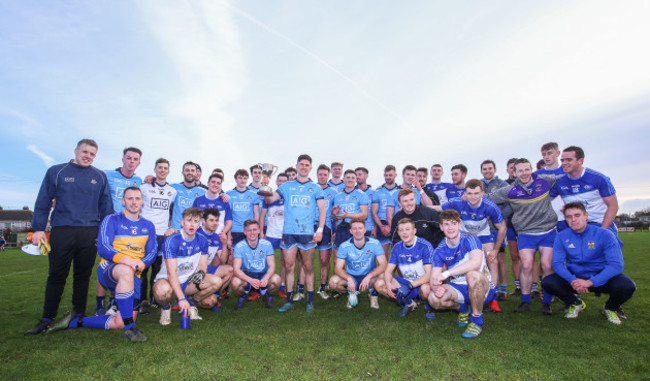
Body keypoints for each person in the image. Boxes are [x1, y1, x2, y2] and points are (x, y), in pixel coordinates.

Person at [44, 186, 157, 342]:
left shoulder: (148, 225)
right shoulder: (111, 220)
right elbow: (104, 247)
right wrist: (126, 260)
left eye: (137, 198)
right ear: (123, 201)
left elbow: (152, 252)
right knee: (125, 271)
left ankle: (75, 322)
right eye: (129, 198)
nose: (133, 202)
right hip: (109, 269)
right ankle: (130, 329)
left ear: (142, 201)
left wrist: (142, 263)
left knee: (119, 321)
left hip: (134, 274)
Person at [26, 139, 113, 335]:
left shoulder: (99, 176)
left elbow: (106, 208)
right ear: (76, 151)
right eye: (84, 152)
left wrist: (106, 233)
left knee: (82, 276)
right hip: (62, 230)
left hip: (89, 232)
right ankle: (47, 318)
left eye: (92, 154)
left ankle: (78, 315)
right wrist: (39, 228)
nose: (87, 156)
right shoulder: (56, 171)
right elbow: (43, 201)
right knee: (57, 275)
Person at [486, 158, 561, 314]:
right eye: (520, 170)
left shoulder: (545, 181)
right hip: (526, 233)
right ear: (514, 173)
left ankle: (546, 302)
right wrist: (468, 197)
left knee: (547, 265)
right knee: (526, 265)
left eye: (527, 169)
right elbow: (488, 198)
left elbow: (566, 179)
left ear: (531, 169)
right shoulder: (510, 190)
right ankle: (525, 301)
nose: (524, 173)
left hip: (547, 230)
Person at [542, 202, 635, 324]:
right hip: (576, 278)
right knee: (548, 282)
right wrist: (573, 280)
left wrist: (590, 282)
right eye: (569, 217)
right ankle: (575, 303)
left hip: (600, 277)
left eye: (577, 215)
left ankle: (611, 308)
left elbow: (617, 265)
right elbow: (557, 264)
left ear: (586, 216)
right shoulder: (561, 236)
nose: (573, 220)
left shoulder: (605, 234)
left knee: (627, 285)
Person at [263, 154, 326, 313]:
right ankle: (289, 301)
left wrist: (320, 230)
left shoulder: (315, 188)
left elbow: (322, 210)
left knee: (308, 267)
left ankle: (310, 301)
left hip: (307, 233)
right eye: (301, 164)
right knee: (289, 266)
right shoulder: (287, 186)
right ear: (297, 166)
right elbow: (270, 201)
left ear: (310, 168)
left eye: (307, 165)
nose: (304, 167)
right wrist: (265, 186)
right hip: (289, 233)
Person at [424, 209, 496, 339]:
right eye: (446, 224)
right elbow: (434, 278)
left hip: (482, 286)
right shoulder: (439, 250)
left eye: (453, 223)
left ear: (459, 225)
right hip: (459, 287)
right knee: (433, 298)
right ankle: (463, 309)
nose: (450, 228)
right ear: (441, 227)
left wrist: (446, 273)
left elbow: (475, 263)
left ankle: (476, 322)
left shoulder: (470, 239)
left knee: (472, 275)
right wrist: (436, 288)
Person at [434, 179, 505, 306]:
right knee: (454, 259)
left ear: (482, 193)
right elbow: (439, 208)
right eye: (470, 193)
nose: (473, 197)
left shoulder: (490, 206)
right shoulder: (458, 202)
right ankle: (456, 289)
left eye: (476, 193)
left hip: (483, 235)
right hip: (464, 235)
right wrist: (417, 207)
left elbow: (502, 228)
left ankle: (492, 294)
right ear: (465, 194)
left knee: (493, 260)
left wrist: (495, 250)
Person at [153, 208, 225, 325]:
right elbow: (172, 273)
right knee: (161, 292)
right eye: (189, 220)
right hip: (168, 280)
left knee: (216, 282)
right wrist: (181, 299)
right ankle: (166, 308)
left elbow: (203, 266)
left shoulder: (202, 240)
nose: (192, 224)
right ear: (182, 223)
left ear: (200, 223)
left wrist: (200, 274)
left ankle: (191, 303)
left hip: (188, 281)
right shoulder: (172, 240)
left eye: (196, 221)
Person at [97, 146, 143, 315]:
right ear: (123, 159)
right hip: (110, 226)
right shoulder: (107, 175)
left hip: (128, 228)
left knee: (123, 264)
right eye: (129, 158)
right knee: (106, 263)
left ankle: (113, 303)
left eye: (135, 159)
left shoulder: (139, 180)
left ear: (139, 162)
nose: (131, 161)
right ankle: (99, 305)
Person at [551, 146, 622, 245]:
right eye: (562, 160)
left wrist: (602, 231)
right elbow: (543, 201)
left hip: (599, 224)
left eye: (569, 160)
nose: (564, 163)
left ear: (580, 160)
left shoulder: (599, 178)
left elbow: (613, 206)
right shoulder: (560, 183)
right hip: (575, 227)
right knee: (573, 256)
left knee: (600, 256)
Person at [138, 158, 177, 314]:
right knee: (142, 269)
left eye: (165, 168)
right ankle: (143, 301)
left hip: (163, 234)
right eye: (159, 167)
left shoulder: (172, 191)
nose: (162, 170)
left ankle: (154, 298)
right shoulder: (144, 187)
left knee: (158, 269)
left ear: (168, 171)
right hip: (145, 234)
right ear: (155, 169)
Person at [375, 218, 434, 318]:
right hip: (406, 282)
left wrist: (410, 286)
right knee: (379, 284)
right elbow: (388, 271)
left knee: (426, 289)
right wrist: (389, 284)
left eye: (407, 229)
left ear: (414, 231)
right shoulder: (397, 247)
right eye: (401, 230)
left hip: (422, 283)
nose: (404, 233)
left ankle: (428, 307)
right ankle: (409, 303)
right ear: (398, 232)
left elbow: (429, 275)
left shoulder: (425, 246)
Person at [328, 218, 387, 309]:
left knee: (383, 277)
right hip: (352, 276)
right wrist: (348, 279)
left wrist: (369, 276)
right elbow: (337, 268)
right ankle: (351, 293)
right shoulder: (344, 246)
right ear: (351, 231)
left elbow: (383, 264)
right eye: (354, 228)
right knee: (333, 282)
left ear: (365, 230)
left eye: (360, 228)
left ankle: (373, 294)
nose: (357, 231)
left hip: (369, 277)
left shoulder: (374, 243)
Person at [231, 219, 282, 309]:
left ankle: (265, 292)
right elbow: (236, 269)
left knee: (277, 280)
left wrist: (266, 278)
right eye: (249, 230)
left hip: (262, 274)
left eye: (254, 229)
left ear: (259, 231)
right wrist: (250, 280)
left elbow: (272, 266)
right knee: (235, 282)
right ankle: (244, 294)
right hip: (247, 275)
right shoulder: (239, 246)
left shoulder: (267, 244)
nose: (252, 232)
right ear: (245, 232)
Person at [480, 160, 510, 300]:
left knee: (500, 257)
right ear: (481, 171)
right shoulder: (478, 184)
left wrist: (501, 217)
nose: (487, 171)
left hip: (496, 227)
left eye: (490, 168)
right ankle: (492, 288)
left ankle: (503, 289)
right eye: (485, 169)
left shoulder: (502, 185)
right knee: (486, 259)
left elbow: (510, 204)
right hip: (483, 229)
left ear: (495, 169)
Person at [195, 208, 234, 311]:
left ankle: (213, 296)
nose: (215, 223)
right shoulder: (195, 233)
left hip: (205, 271)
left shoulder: (216, 237)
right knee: (209, 302)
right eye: (211, 220)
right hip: (192, 273)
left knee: (230, 269)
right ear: (203, 221)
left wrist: (224, 244)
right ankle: (189, 299)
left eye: (216, 220)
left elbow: (223, 259)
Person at [314, 165, 338, 299]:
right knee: (305, 260)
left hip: (326, 228)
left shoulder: (333, 192)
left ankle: (323, 287)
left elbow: (336, 213)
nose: (322, 177)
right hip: (309, 227)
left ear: (328, 176)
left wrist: (335, 229)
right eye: (320, 174)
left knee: (324, 259)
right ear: (317, 175)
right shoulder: (311, 188)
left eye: (325, 174)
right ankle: (303, 287)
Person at [192, 173, 233, 249]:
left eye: (218, 183)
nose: (215, 185)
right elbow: (193, 220)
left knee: (217, 261)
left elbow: (229, 222)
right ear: (208, 183)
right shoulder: (198, 200)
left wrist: (223, 232)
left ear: (221, 186)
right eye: (213, 182)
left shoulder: (224, 201)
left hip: (217, 240)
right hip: (200, 239)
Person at [332, 170, 370, 248]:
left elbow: (364, 215)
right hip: (341, 229)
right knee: (338, 258)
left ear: (356, 180)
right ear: (343, 179)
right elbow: (336, 218)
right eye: (348, 177)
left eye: (353, 178)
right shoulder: (338, 196)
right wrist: (334, 215)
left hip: (355, 229)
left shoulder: (362, 195)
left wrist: (347, 215)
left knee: (355, 257)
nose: (350, 180)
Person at [226, 169, 260, 247]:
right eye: (240, 178)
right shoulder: (228, 194)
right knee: (232, 258)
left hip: (249, 231)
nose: (242, 180)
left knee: (248, 256)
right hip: (234, 231)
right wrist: (228, 234)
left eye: (245, 178)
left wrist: (256, 230)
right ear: (235, 179)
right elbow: (228, 216)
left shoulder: (254, 195)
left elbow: (256, 214)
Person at [170, 162, 207, 232]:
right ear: (182, 172)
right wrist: (152, 179)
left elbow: (216, 199)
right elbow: (160, 184)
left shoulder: (204, 192)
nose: (190, 172)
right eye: (187, 170)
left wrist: (224, 196)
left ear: (196, 173)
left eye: (192, 170)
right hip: (176, 230)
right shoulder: (174, 187)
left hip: (193, 232)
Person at [372, 165, 399, 255]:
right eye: (386, 175)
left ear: (395, 175)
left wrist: (393, 227)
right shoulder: (378, 192)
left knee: (399, 256)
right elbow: (374, 213)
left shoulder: (400, 191)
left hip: (397, 223)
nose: (388, 177)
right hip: (382, 224)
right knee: (383, 256)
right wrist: (381, 227)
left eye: (390, 175)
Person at [355, 167, 377, 235]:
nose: (357, 177)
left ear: (366, 176)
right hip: (356, 229)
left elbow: (377, 212)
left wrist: (376, 227)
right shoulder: (352, 193)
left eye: (359, 174)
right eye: (356, 175)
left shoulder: (374, 193)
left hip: (370, 229)